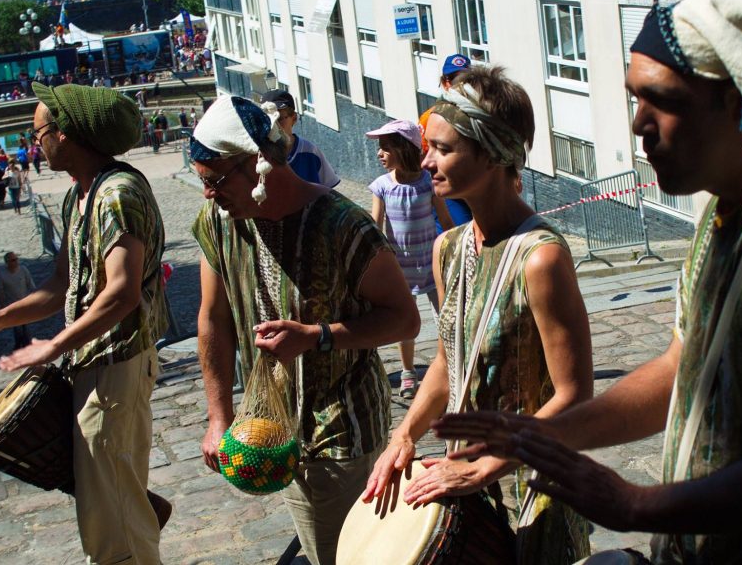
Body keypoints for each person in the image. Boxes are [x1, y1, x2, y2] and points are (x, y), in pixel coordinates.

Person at [434, 0, 742, 565]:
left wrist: (636, 504)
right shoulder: (723, 211)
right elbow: (680, 367)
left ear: (738, 100)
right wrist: (540, 438)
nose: (638, 125)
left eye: (659, 100)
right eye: (635, 99)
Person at [362, 66, 595, 565]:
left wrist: (488, 465)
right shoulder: (449, 249)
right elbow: (449, 364)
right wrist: (403, 437)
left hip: (534, 486)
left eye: (442, 149)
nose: (426, 161)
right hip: (469, 482)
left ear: (491, 154)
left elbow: (575, 395)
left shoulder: (541, 258)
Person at [0, 82, 172, 564]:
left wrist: (51, 346)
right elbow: (62, 284)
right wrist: (1, 318)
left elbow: (121, 293)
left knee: (115, 516)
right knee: (104, 500)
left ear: (65, 134)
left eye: (38, 131)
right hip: (92, 366)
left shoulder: (117, 194)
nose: (33, 142)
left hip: (116, 367)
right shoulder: (79, 197)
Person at [190, 95, 421, 565]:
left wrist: (317, 336)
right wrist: (219, 415)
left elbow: (404, 318)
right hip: (273, 428)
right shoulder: (219, 223)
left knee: (347, 555)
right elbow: (213, 319)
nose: (208, 195)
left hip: (343, 427)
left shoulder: (344, 226)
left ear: (257, 166)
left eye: (215, 182)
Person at [365, 119, 453, 398]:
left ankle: (450, 364)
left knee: (446, 317)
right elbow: (375, 227)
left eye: (385, 148)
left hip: (431, 266)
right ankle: (407, 372)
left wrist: (455, 249)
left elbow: (446, 220)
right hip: (400, 270)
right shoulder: (382, 186)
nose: (379, 154)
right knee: (406, 323)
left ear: (404, 149)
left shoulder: (427, 183)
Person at [420, 54, 474, 233]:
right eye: (453, 79)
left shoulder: (481, 116)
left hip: (477, 188)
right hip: (451, 193)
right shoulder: (431, 118)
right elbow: (423, 159)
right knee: (458, 236)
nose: (458, 85)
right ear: (445, 82)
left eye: (464, 79)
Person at [260, 89, 341, 188]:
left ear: (294, 118)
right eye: (268, 119)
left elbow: (329, 188)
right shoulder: (259, 157)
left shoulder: (310, 151)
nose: (274, 125)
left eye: (279, 119)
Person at [0, 252, 36, 349]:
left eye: (16, 259)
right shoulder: (2, 275)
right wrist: (3, 306)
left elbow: (30, 284)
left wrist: (35, 297)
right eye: (13, 260)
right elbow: (1, 292)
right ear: (7, 262)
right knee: (17, 328)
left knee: (26, 327)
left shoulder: (23, 270)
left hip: (25, 304)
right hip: (12, 306)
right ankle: (20, 345)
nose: (16, 262)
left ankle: (26, 346)